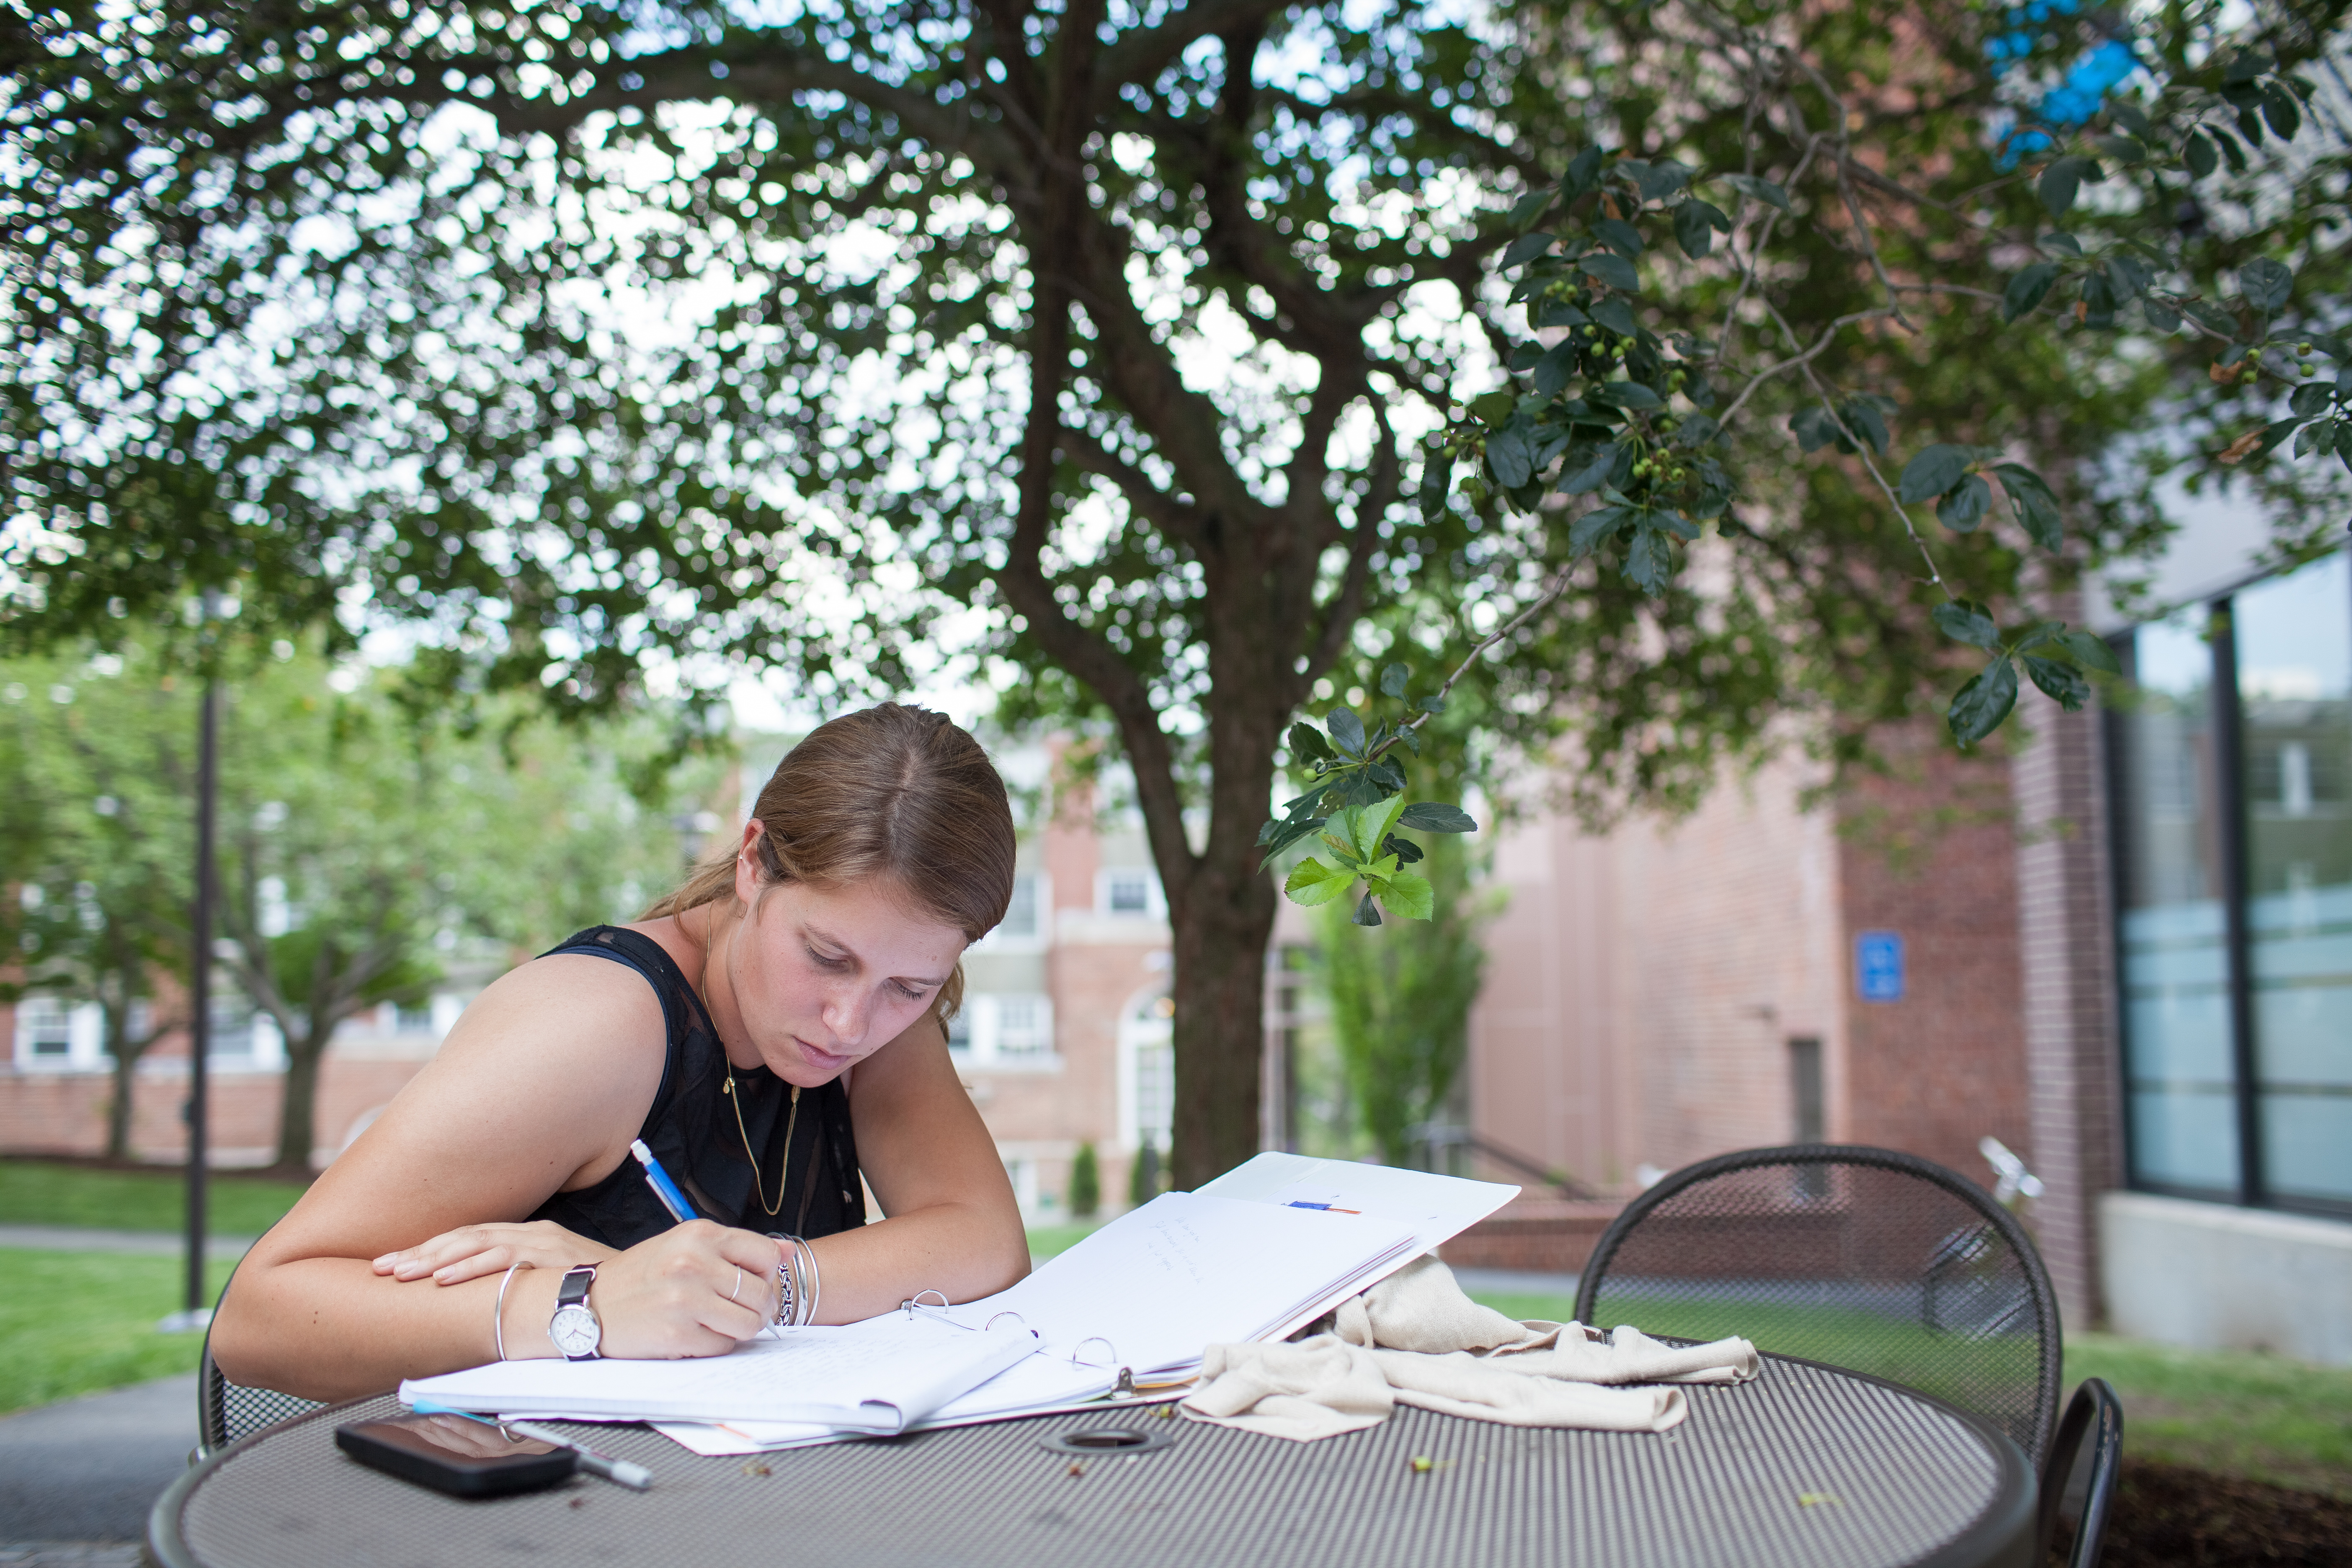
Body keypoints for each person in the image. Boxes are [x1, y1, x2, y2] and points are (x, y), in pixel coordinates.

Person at [211, 704, 1031, 1400]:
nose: (851, 1024)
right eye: (824, 956)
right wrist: (592, 1301)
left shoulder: (877, 1003)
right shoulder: (596, 1029)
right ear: (752, 864)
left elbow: (985, 1243)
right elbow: (260, 1318)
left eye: (913, 988)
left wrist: (750, 1286)